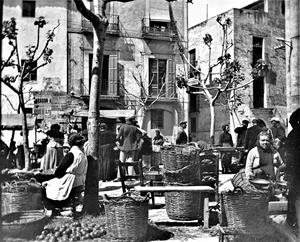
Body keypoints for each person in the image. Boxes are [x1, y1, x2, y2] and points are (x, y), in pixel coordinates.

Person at [42, 133, 88, 216]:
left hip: (70, 182)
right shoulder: (82, 154)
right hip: (80, 180)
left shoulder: (71, 154)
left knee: (45, 185)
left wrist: (55, 173)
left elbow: (58, 173)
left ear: (70, 143)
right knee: (53, 183)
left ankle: (55, 209)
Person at [285, 108, 300, 227]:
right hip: (296, 172)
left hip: (294, 172)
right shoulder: (294, 135)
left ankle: (291, 220)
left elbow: (288, 157)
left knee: (293, 196)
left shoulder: (292, 135)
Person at [115, 116, 142, 181]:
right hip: (132, 147)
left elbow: (118, 137)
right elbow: (138, 138)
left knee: (121, 162)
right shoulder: (135, 128)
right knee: (131, 162)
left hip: (123, 147)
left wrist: (118, 142)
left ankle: (119, 177)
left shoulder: (123, 127)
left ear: (127, 121)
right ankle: (130, 176)